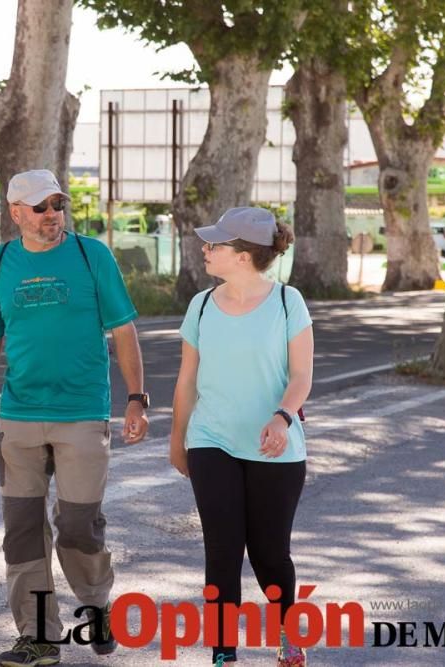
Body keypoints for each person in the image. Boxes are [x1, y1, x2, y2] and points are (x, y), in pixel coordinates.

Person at [0, 169, 149, 667]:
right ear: (16, 214)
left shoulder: (92, 255)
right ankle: (39, 637)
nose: (53, 214)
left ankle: (96, 605)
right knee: (23, 531)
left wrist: (136, 398)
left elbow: (123, 330)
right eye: (41, 206)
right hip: (19, 418)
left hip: (82, 415)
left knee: (78, 527)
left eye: (58, 204)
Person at [170, 207, 314, 667]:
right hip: (211, 439)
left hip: (275, 445)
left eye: (215, 245)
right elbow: (187, 379)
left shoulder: (290, 302)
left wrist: (282, 417)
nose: (206, 251)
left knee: (270, 555)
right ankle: (222, 649)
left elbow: (302, 377)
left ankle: (287, 633)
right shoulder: (202, 305)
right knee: (223, 548)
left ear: (244, 255)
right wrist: (178, 438)